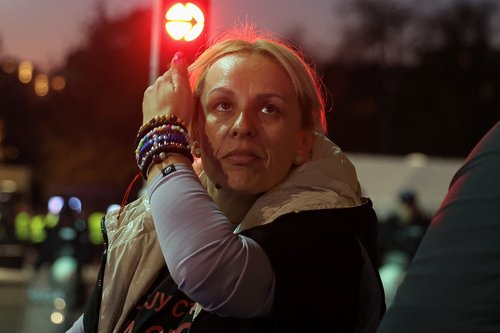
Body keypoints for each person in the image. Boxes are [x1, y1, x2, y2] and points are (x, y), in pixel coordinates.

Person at [66, 26, 385, 332]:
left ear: (303, 141)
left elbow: (214, 272)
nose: (243, 125)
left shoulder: (330, 238)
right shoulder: (149, 233)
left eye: (269, 109)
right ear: (192, 132)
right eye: (223, 105)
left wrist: (161, 148)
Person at [377, 120, 500, 332]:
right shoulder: (392, 223)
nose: (407, 208)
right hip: (398, 274)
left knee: (391, 280)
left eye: (410, 203)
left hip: (406, 273)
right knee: (385, 279)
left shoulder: (424, 222)